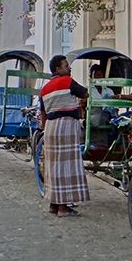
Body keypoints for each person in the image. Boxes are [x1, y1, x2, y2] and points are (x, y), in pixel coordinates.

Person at [38, 54, 90, 218]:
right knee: (66, 168)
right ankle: (63, 208)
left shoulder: (44, 89)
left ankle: (54, 205)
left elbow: (43, 113)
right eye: (66, 66)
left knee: (53, 168)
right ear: (58, 69)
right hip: (66, 126)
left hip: (51, 129)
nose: (69, 68)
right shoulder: (68, 81)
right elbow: (85, 93)